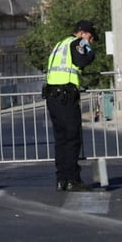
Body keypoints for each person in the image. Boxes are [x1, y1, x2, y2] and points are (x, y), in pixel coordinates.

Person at [44, 19, 97, 191]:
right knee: (72, 137)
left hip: (53, 95)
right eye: (89, 37)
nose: (90, 41)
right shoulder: (76, 43)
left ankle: (62, 179)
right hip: (65, 95)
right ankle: (73, 179)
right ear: (81, 33)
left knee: (61, 139)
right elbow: (81, 61)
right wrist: (89, 52)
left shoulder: (61, 43)